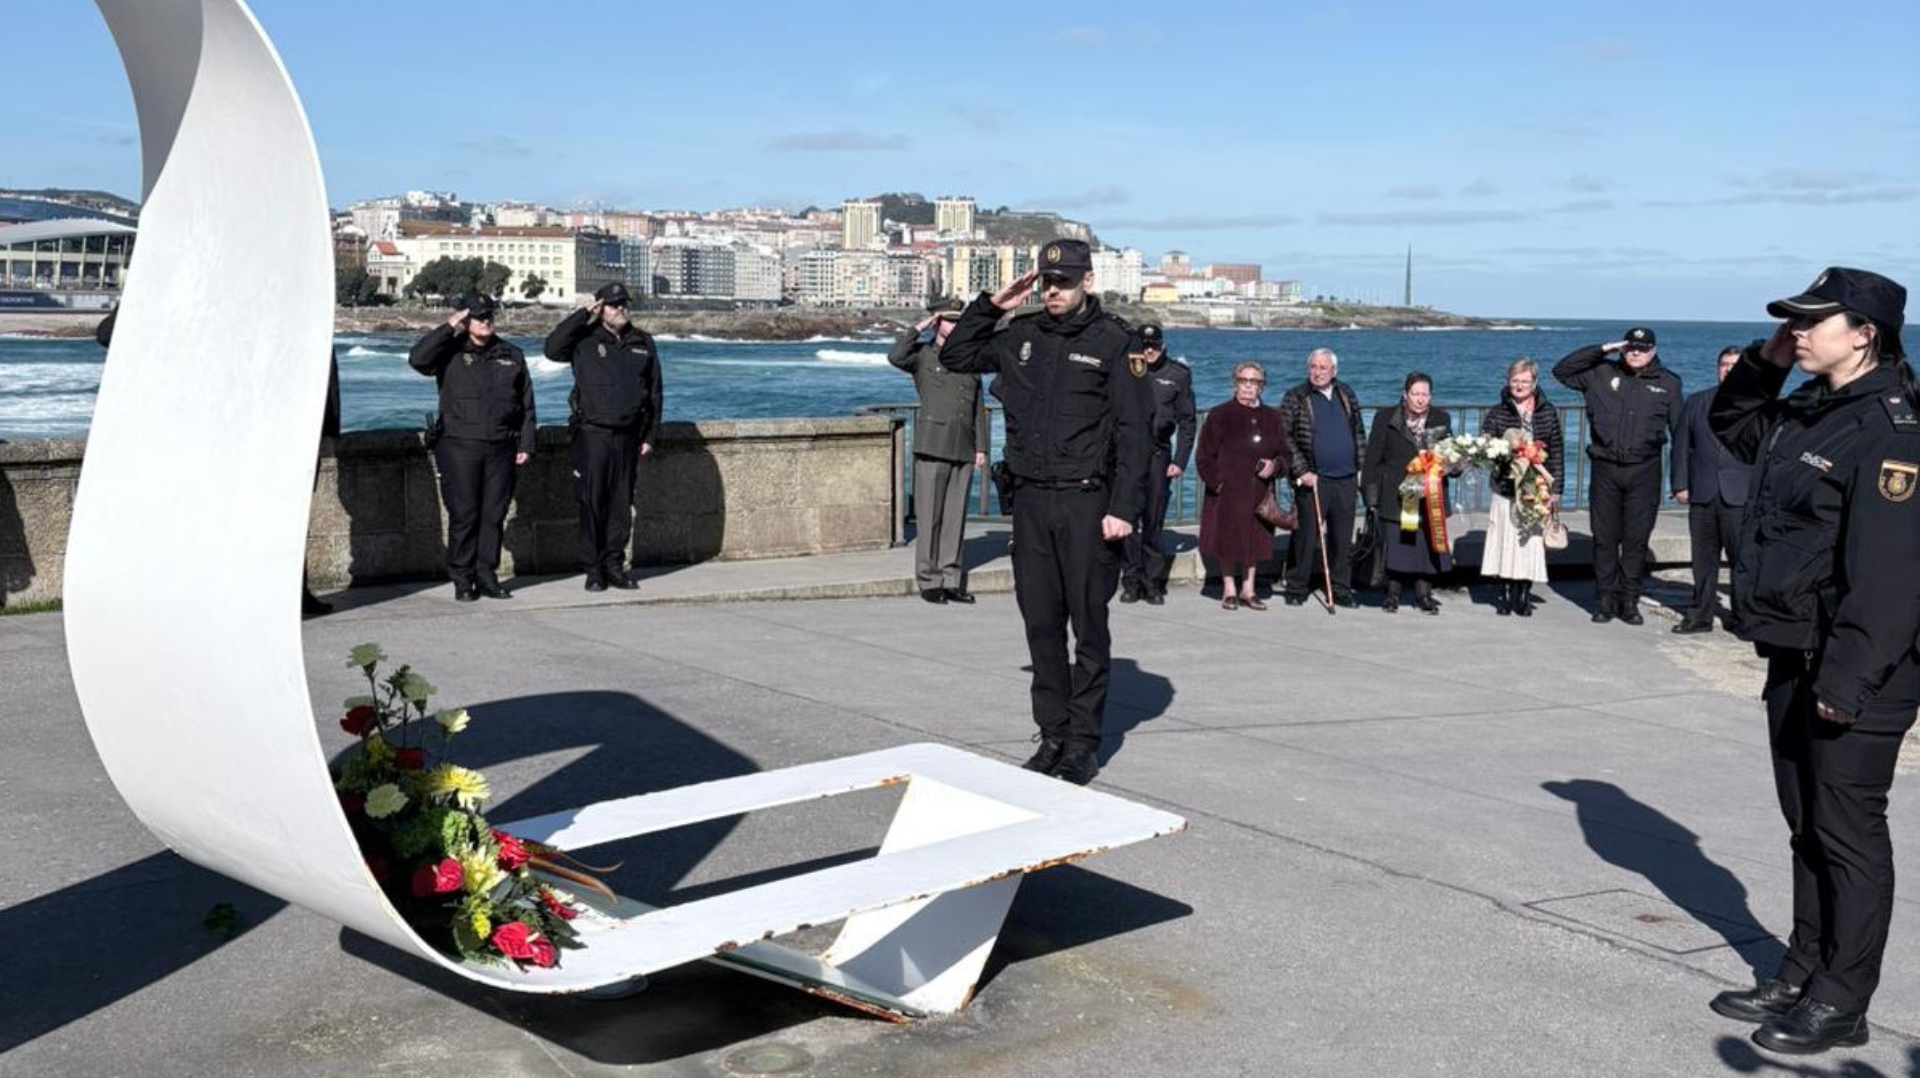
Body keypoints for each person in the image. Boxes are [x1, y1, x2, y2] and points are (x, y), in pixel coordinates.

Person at [1706, 267, 1919, 1056]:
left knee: (1847, 829)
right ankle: (1802, 969)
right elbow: (1731, 422)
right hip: (1797, 648)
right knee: (1807, 823)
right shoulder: (1810, 409)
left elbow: (1891, 578)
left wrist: (1849, 681)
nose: (1797, 330)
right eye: (1790, 321)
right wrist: (1770, 358)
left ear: (1864, 334)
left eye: (1811, 321)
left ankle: (1843, 998)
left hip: (1861, 664)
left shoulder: (1892, 430)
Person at [939, 238, 1154, 786]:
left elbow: (1136, 433)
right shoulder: (1023, 335)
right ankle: (1053, 734)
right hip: (1031, 500)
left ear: (1087, 281)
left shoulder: (1115, 343)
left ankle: (1083, 744)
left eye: (1064, 281)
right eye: (1047, 281)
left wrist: (1123, 508)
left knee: (1088, 626)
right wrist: (992, 306)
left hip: (1087, 502)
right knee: (1040, 624)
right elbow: (956, 355)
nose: (1054, 290)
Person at [100, 307, 341, 615]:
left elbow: (323, 363)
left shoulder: (296, 302)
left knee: (290, 515)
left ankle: (292, 592)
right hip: (226, 425)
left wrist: (328, 430)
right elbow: (108, 334)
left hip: (288, 427)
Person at [408, 292, 534, 602]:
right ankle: (463, 578)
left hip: (501, 446)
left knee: (493, 515)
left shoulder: (511, 354)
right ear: (466, 320)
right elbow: (418, 359)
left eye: (489, 315)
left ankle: (487, 575)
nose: (486, 321)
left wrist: (526, 443)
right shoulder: (449, 351)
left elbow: (527, 404)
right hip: (459, 445)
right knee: (465, 514)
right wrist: (449, 326)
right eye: (478, 316)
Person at [1552, 325, 1683, 625]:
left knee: (1636, 540)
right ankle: (1605, 599)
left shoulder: (1669, 383)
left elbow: (1680, 433)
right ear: (1623, 348)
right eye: (1630, 347)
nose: (1636, 353)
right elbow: (1562, 370)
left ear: (1653, 350)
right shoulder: (1601, 373)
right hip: (1606, 469)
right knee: (1605, 539)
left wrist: (1680, 481)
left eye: (1643, 348)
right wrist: (1603, 349)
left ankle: (1629, 601)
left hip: (1645, 471)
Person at [544, 281, 663, 593]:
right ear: (600, 308)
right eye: (613, 304)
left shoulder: (642, 342)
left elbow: (654, 392)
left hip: (628, 436)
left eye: (623, 303)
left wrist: (650, 435)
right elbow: (552, 348)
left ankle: (614, 566)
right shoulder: (583, 338)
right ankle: (594, 569)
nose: (620, 308)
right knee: (592, 503)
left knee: (621, 507)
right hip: (591, 435)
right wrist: (583, 314)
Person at [889, 297, 987, 604]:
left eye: (958, 321)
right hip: (932, 444)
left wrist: (982, 447)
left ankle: (951, 579)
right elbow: (895, 356)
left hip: (964, 445)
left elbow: (978, 406)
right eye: (949, 320)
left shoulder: (969, 357)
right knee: (929, 517)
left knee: (955, 518)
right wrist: (918, 329)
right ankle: (929, 580)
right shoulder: (922, 355)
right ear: (936, 322)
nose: (954, 326)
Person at [1669, 346, 1752, 634]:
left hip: (1740, 494)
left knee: (1742, 560)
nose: (1729, 370)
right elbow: (1681, 446)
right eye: (1724, 365)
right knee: (1703, 560)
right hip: (1703, 492)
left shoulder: (1758, 405)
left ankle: (1743, 616)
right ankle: (1700, 616)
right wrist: (1680, 484)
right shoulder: (1697, 401)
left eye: (1735, 365)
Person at [1196, 362, 1287, 610]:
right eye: (1243, 380)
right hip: (1227, 491)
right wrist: (1218, 483)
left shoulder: (1273, 417)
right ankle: (1229, 590)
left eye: (1254, 381)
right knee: (1227, 540)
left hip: (1258, 491)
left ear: (1261, 386)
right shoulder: (1219, 414)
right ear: (1235, 383)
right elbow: (1204, 456)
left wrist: (1275, 466)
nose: (1248, 386)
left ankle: (1249, 590)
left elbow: (1285, 454)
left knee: (1255, 541)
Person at [1361, 373, 1453, 614]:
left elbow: (1450, 456)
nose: (1420, 399)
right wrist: (1371, 497)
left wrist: (1455, 466)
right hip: (1397, 494)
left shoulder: (1441, 418)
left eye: (1425, 394)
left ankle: (1424, 595)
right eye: (1415, 394)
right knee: (1399, 547)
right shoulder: (1385, 418)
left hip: (1430, 495)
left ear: (1430, 396)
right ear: (1405, 395)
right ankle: (1392, 594)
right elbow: (1372, 460)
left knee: (1425, 548)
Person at [1479, 359, 1565, 616]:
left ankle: (1524, 594)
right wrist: (1504, 454)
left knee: (1530, 543)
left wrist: (1556, 488)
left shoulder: (1547, 411)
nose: (1519, 386)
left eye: (1525, 381)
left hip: (1536, 488)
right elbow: (1485, 445)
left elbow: (1556, 450)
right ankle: (1505, 593)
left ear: (1534, 383)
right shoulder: (1497, 412)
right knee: (1505, 541)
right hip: (1505, 487)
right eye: (1515, 381)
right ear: (1508, 382)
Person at [1279, 347, 1364, 607]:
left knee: (1342, 537)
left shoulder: (1346, 393)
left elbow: (1359, 432)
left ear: (1334, 370)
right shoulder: (1295, 396)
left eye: (1323, 367)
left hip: (1346, 477)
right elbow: (1285, 437)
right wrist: (1302, 470)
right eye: (1313, 367)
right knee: (1306, 536)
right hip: (1314, 479)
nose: (1317, 372)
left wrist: (1361, 468)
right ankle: (1297, 586)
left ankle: (1340, 588)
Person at [1121, 322, 1196, 605]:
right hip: (1128, 456)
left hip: (1157, 455)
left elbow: (1187, 421)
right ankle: (1130, 582)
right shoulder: (1126, 370)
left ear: (1162, 346)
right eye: (1144, 346)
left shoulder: (1178, 374)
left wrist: (1180, 460)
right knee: (1128, 521)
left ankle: (1152, 583)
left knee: (1153, 521)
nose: (1149, 351)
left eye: (1153, 346)